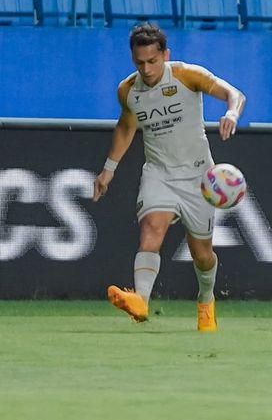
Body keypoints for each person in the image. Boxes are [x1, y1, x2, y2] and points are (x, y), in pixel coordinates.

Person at [93, 24, 246, 332]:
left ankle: (206, 300)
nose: (147, 69)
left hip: (198, 177)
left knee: (202, 255)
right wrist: (108, 169)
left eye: (153, 61)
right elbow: (126, 127)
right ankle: (140, 301)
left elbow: (234, 94)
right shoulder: (128, 91)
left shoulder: (187, 76)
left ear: (165, 55)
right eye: (140, 62)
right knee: (151, 229)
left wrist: (231, 114)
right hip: (158, 173)